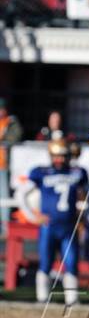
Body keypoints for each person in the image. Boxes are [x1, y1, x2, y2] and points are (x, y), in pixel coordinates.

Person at [17, 138, 89, 306]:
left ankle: (72, 300)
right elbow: (20, 194)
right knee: (45, 262)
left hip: (69, 226)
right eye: (56, 156)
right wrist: (33, 216)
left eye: (63, 156)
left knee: (71, 262)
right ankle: (42, 298)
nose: (60, 159)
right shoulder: (41, 172)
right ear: (50, 155)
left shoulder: (77, 172)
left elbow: (88, 194)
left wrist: (84, 214)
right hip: (48, 226)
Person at [0, 97, 23, 232]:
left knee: (4, 197)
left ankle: (5, 228)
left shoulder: (11, 122)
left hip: (3, 165)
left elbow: (15, 137)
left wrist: (3, 137)